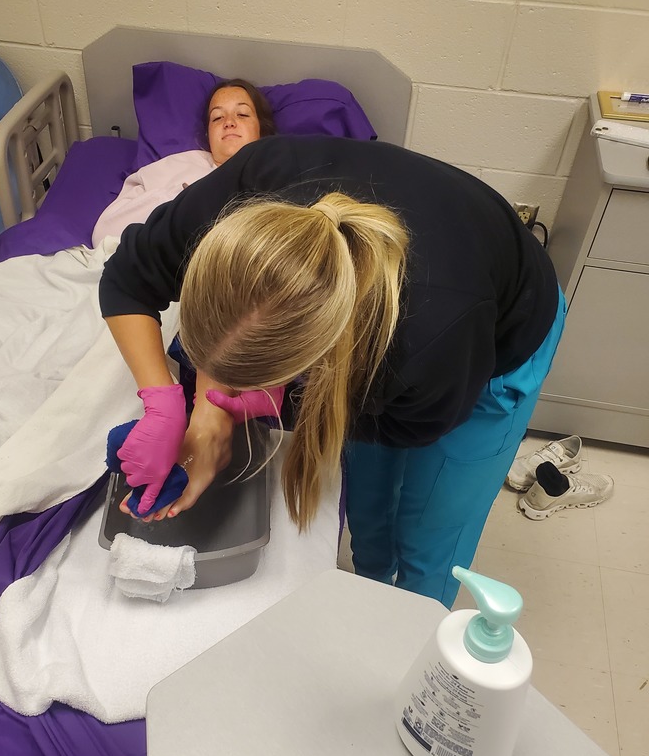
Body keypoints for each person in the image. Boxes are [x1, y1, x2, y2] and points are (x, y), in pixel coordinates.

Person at [99, 135, 564, 607]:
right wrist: (168, 400)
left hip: (502, 325)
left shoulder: (429, 339)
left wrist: (258, 407)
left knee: (430, 540)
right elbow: (125, 280)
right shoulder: (239, 191)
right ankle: (371, 586)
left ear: (310, 363)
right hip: (417, 306)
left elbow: (415, 425)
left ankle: (409, 624)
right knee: (368, 507)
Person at [91, 79, 275, 244]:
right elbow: (104, 234)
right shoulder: (175, 167)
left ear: (262, 128)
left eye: (242, 114)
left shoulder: (280, 172)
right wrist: (179, 199)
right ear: (208, 134)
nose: (228, 122)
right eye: (217, 117)